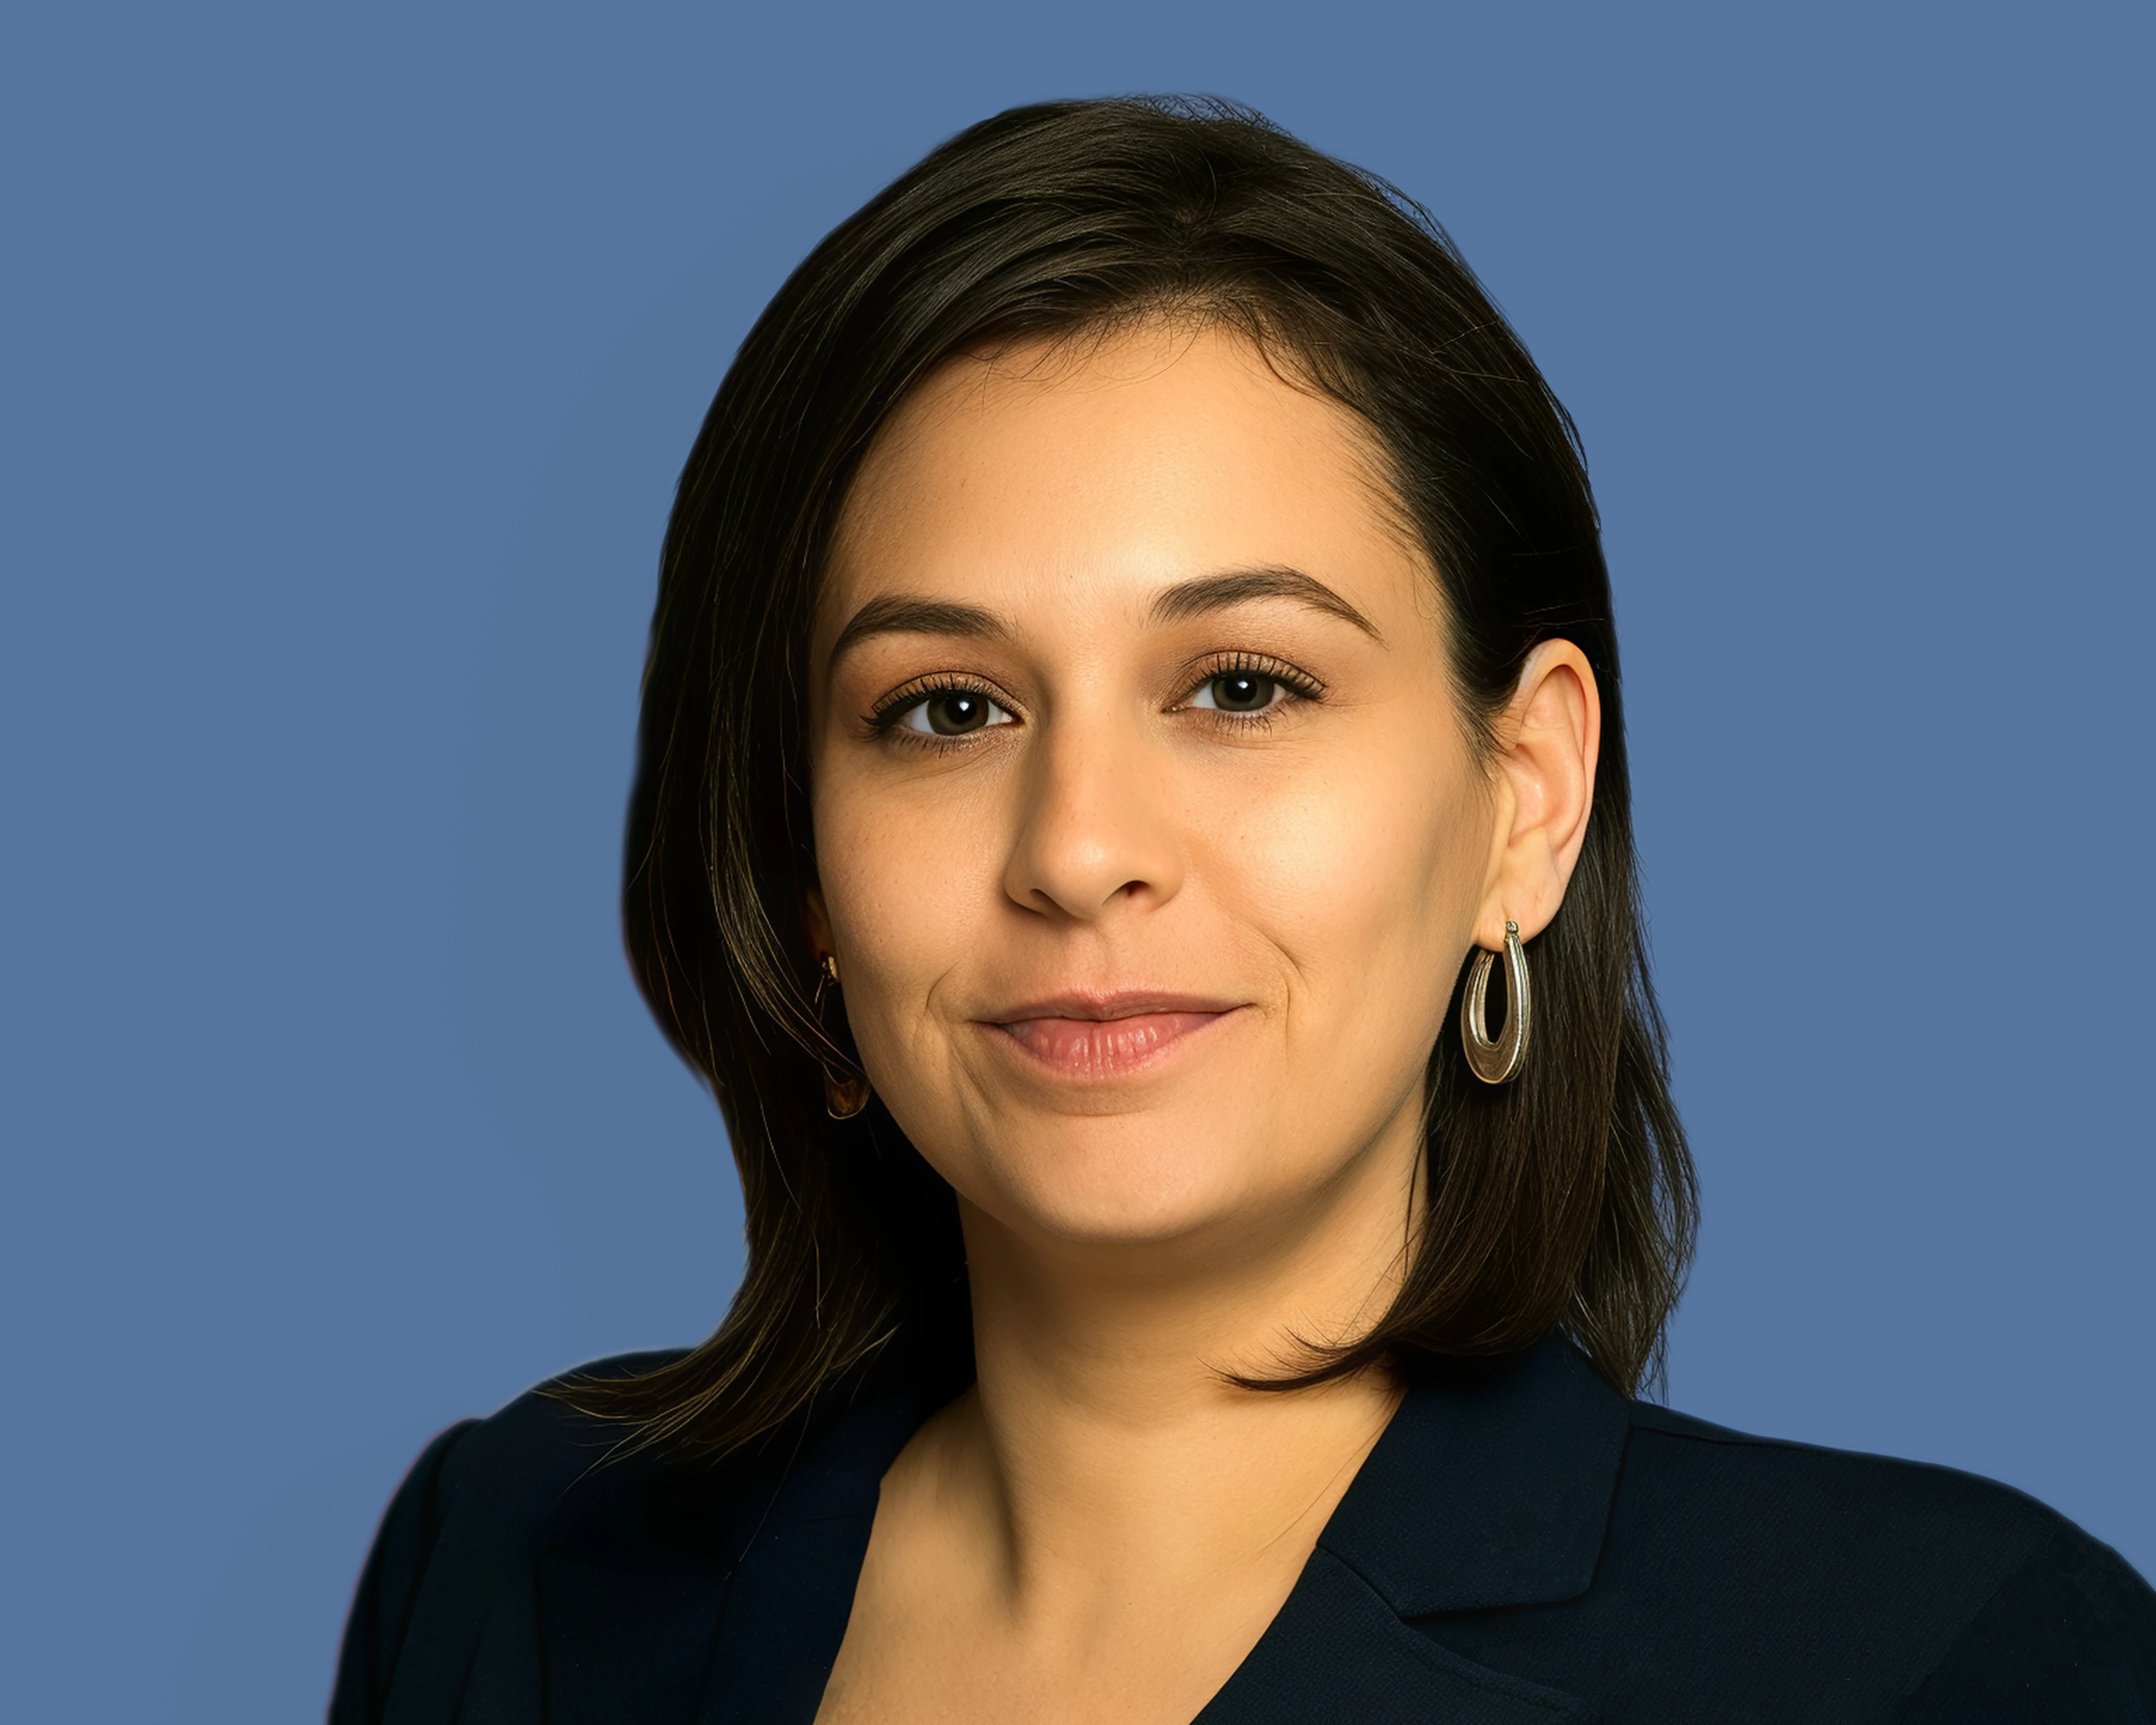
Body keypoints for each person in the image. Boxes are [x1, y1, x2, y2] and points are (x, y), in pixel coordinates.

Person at [331, 97, 2155, 1724]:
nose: (1079, 848)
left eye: (1242, 685)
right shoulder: (508, 1562)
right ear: (805, 873)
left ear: (1526, 797)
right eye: (946, 709)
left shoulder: (1950, 1661)